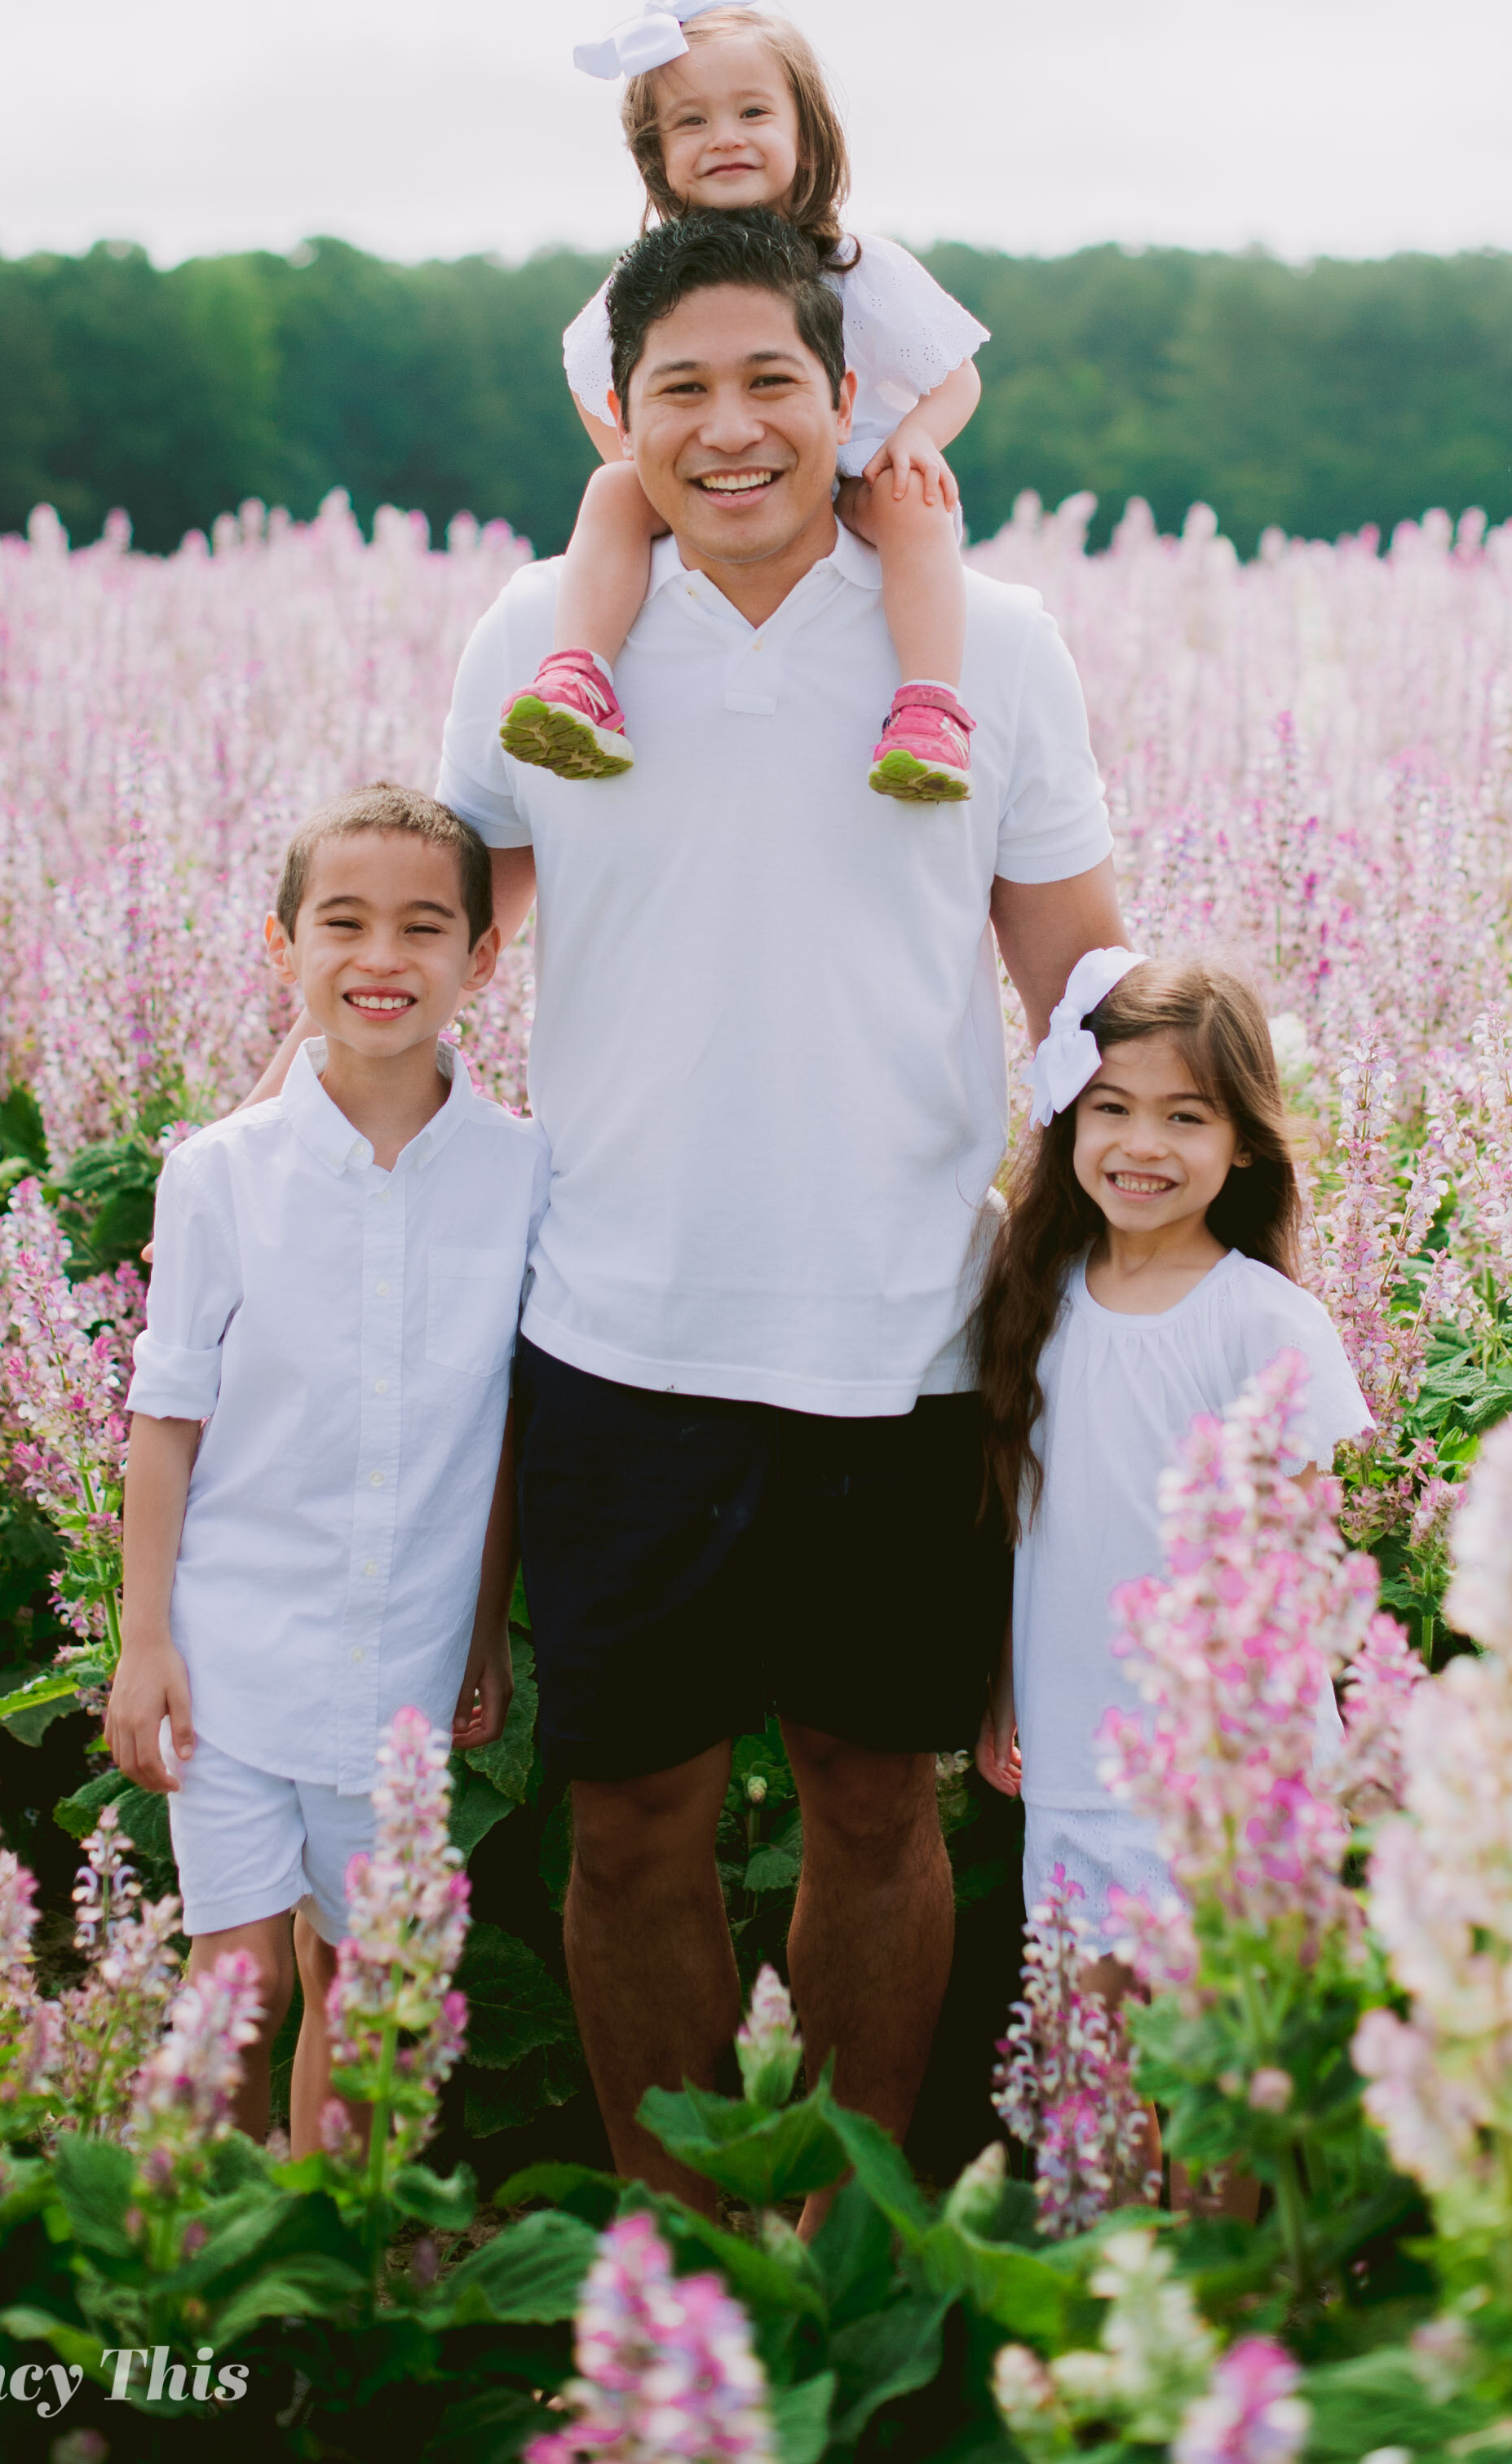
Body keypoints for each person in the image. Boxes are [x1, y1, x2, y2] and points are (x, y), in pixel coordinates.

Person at [431, 201, 1125, 2220]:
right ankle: (680, 2253)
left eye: (769, 384)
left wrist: (1167, 1231)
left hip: (901, 1327)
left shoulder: (986, 645)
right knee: (630, 1817)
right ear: (615, 417)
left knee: (873, 1805)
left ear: (847, 400)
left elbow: (1071, 965)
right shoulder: (532, 634)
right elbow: (441, 925)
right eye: (679, 391)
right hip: (616, 1325)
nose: (727, 429)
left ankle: (839, 2248)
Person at [105, 783, 546, 2149]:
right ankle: (195, 2287)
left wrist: (483, 1631)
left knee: (370, 2000)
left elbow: (506, 1428)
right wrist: (142, 1642)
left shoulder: (525, 1172)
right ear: (281, 946)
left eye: (425, 928)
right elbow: (167, 1417)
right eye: (343, 923)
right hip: (229, 1654)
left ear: (482, 957)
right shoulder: (220, 1172)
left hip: (403, 1669)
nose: (382, 959)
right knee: (232, 1989)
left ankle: (331, 2299)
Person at [497, 0, 988, 803]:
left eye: (752, 113)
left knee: (915, 514)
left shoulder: (855, 264)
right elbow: (589, 378)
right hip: (717, 484)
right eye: (690, 123)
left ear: (805, 133)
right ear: (656, 156)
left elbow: (956, 378)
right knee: (610, 495)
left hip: (847, 466)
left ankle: (928, 708)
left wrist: (912, 439)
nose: (723, 138)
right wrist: (641, 460)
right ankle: (576, 678)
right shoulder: (640, 284)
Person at [971, 949, 1371, 1935]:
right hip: (1074, 1756)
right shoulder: (1033, 1300)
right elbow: (1024, 1525)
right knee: (1094, 2064)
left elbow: (1296, 1570)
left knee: (1229, 2059)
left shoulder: (1262, 1323)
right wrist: (999, 1690)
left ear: (1241, 1143)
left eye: (1183, 1117)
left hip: (1230, 1783)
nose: (1139, 1143)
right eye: (1110, 1108)